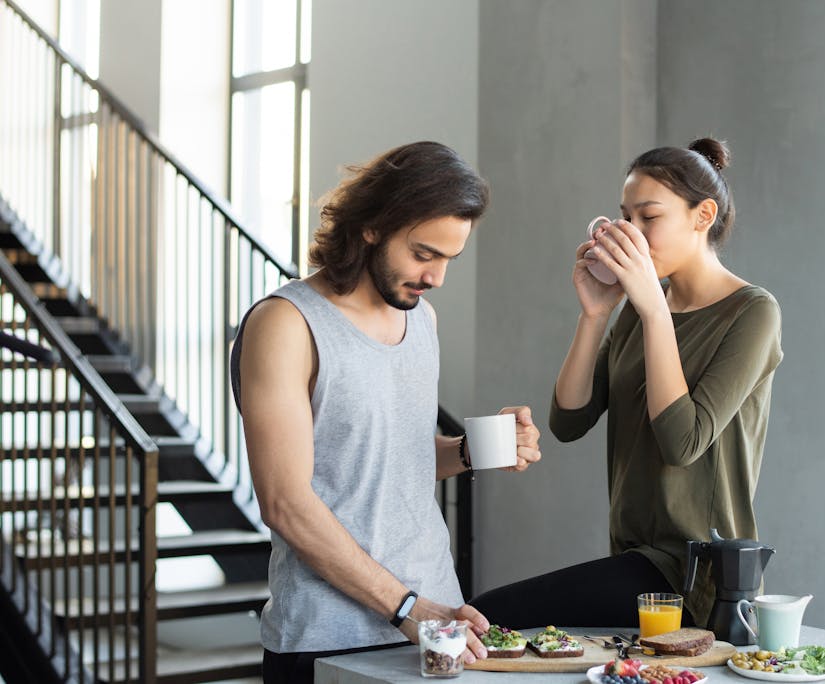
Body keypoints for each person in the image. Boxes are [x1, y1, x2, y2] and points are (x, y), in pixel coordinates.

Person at [230, 141, 542, 684]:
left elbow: (392, 458)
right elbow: (285, 501)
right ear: (373, 226)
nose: (437, 277)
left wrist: (475, 451)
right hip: (327, 638)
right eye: (423, 254)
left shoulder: (422, 321)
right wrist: (406, 608)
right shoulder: (285, 325)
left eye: (448, 259)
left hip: (438, 629)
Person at [470, 138, 782, 631]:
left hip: (697, 574)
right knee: (494, 624)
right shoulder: (640, 307)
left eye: (649, 217)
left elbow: (683, 441)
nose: (630, 233)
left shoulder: (752, 313)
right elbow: (569, 420)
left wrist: (654, 310)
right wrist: (595, 314)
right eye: (625, 217)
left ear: (703, 215)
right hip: (634, 557)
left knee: (489, 617)